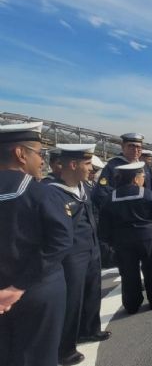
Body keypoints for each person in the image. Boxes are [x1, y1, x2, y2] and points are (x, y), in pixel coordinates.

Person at [0, 122, 73, 366]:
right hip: (35, 292)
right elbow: (61, 241)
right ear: (20, 154)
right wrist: (16, 288)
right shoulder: (40, 193)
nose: (42, 161)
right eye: (39, 154)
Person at [48, 145, 110, 365]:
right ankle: (65, 349)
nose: (91, 168)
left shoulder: (83, 188)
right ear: (73, 165)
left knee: (93, 291)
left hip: (91, 248)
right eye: (86, 164)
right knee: (72, 300)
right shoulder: (52, 192)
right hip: (72, 256)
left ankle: (90, 329)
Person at [98, 162, 152, 314]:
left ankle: (132, 304)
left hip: (123, 241)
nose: (143, 179)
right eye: (142, 176)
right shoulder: (147, 194)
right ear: (136, 179)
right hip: (148, 237)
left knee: (128, 273)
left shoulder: (110, 198)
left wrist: (111, 241)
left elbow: (104, 224)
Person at [92, 133, 152, 209]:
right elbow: (101, 193)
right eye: (131, 146)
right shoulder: (112, 166)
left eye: (138, 147)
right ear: (123, 147)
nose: (135, 150)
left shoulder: (145, 166)